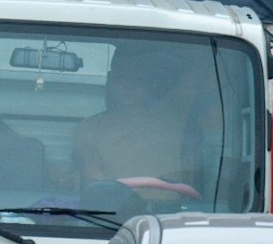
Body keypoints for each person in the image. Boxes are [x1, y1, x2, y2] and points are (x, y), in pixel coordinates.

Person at [73, 44, 201, 201]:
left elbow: (202, 64)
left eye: (138, 77)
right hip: (115, 214)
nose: (129, 85)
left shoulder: (173, 113)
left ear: (150, 82)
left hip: (168, 218)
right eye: (122, 76)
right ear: (110, 79)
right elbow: (93, 176)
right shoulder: (90, 126)